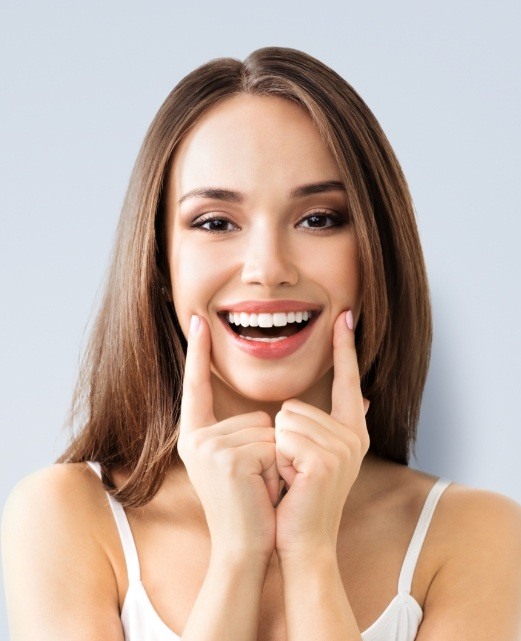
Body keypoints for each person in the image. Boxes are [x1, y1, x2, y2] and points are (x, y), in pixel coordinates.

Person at [2, 47, 521, 641]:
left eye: (319, 219)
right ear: (160, 264)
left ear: (375, 252)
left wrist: (310, 555)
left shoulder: (474, 533)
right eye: (216, 222)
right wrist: (237, 556)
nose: (267, 268)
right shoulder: (66, 517)